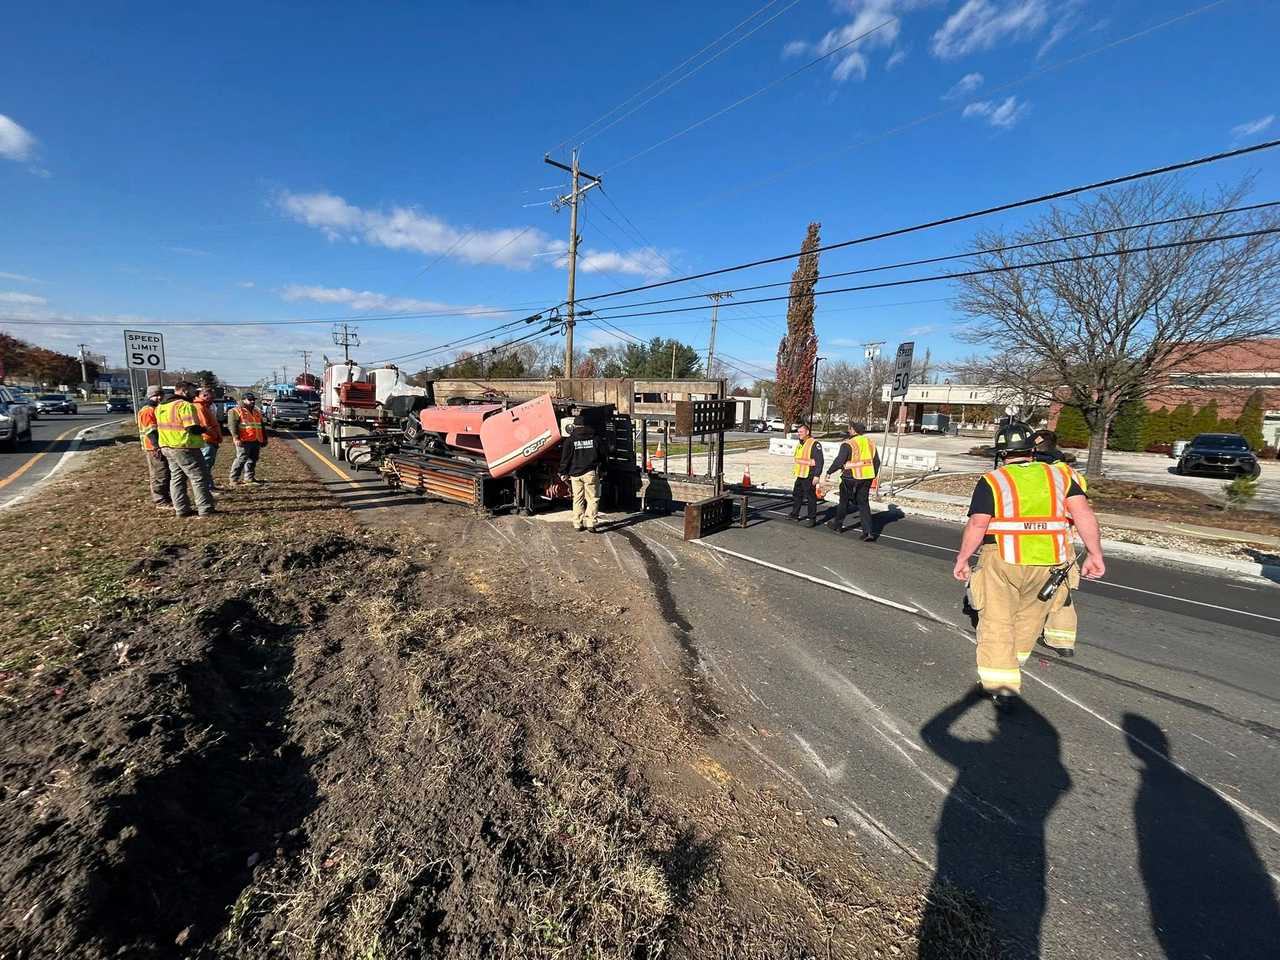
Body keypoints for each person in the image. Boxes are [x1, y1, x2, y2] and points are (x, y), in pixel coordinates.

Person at [951, 421, 1104, 707]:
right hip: (1050, 561)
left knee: (996, 622)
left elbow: (978, 524)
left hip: (1003, 559)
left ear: (1002, 453)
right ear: (1032, 451)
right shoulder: (1060, 476)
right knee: (1030, 619)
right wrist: (1095, 554)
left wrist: (963, 558)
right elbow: (1083, 514)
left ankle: (1001, 686)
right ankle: (1014, 663)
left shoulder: (994, 480)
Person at [1031, 428, 1087, 656]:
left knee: (1026, 585)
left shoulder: (1035, 471)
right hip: (1063, 539)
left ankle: (1023, 632)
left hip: (1033, 537)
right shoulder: (1072, 474)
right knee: (1060, 589)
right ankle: (1061, 640)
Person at [155, 381, 215, 518]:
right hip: (185, 446)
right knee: (199, 477)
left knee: (177, 478)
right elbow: (191, 428)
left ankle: (181, 509)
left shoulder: (161, 406)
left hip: (167, 446)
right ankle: (205, 509)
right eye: (193, 391)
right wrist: (205, 429)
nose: (195, 394)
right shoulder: (185, 405)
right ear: (184, 390)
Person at [825, 421, 879, 541]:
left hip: (850, 478)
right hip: (866, 478)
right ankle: (868, 532)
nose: (848, 430)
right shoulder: (870, 443)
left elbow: (839, 461)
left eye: (849, 428)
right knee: (863, 504)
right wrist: (872, 475)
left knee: (844, 502)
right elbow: (876, 462)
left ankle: (837, 525)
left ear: (854, 430)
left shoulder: (848, 444)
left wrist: (829, 472)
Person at [558, 414, 604, 532]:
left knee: (578, 498)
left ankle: (577, 523)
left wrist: (563, 472)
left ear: (574, 425)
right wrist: (603, 470)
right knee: (592, 499)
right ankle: (591, 523)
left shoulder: (570, 440)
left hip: (575, 474)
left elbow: (565, 458)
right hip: (590, 473)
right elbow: (602, 456)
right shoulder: (595, 438)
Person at [137, 384, 170, 509]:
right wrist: (157, 447)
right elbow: (150, 431)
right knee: (160, 474)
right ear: (149, 396)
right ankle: (160, 500)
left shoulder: (155, 408)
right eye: (156, 395)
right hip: (153, 447)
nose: (159, 397)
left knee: (162, 473)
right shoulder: (148, 411)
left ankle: (164, 497)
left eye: (161, 395)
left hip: (157, 446)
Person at [786, 423, 824, 527]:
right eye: (798, 432)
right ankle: (795, 514)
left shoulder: (814, 444)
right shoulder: (800, 443)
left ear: (807, 432)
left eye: (801, 432)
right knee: (797, 494)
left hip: (809, 475)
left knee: (810, 497)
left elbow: (819, 461)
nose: (799, 434)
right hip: (801, 475)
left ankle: (812, 518)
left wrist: (817, 475)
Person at [227, 392, 267, 485]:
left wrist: (264, 438)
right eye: (250, 399)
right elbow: (232, 426)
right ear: (243, 400)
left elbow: (261, 426)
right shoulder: (235, 411)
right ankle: (234, 479)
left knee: (253, 459)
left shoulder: (256, 411)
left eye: (253, 400)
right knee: (241, 459)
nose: (252, 401)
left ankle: (249, 478)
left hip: (256, 439)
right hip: (244, 440)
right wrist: (236, 438)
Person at [194, 387, 223, 489]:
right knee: (205, 465)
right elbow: (205, 426)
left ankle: (209, 485)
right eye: (212, 397)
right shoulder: (200, 407)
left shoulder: (206, 406)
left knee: (208, 464)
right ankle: (206, 487)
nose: (213, 400)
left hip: (210, 439)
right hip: (207, 439)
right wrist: (215, 436)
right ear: (204, 395)